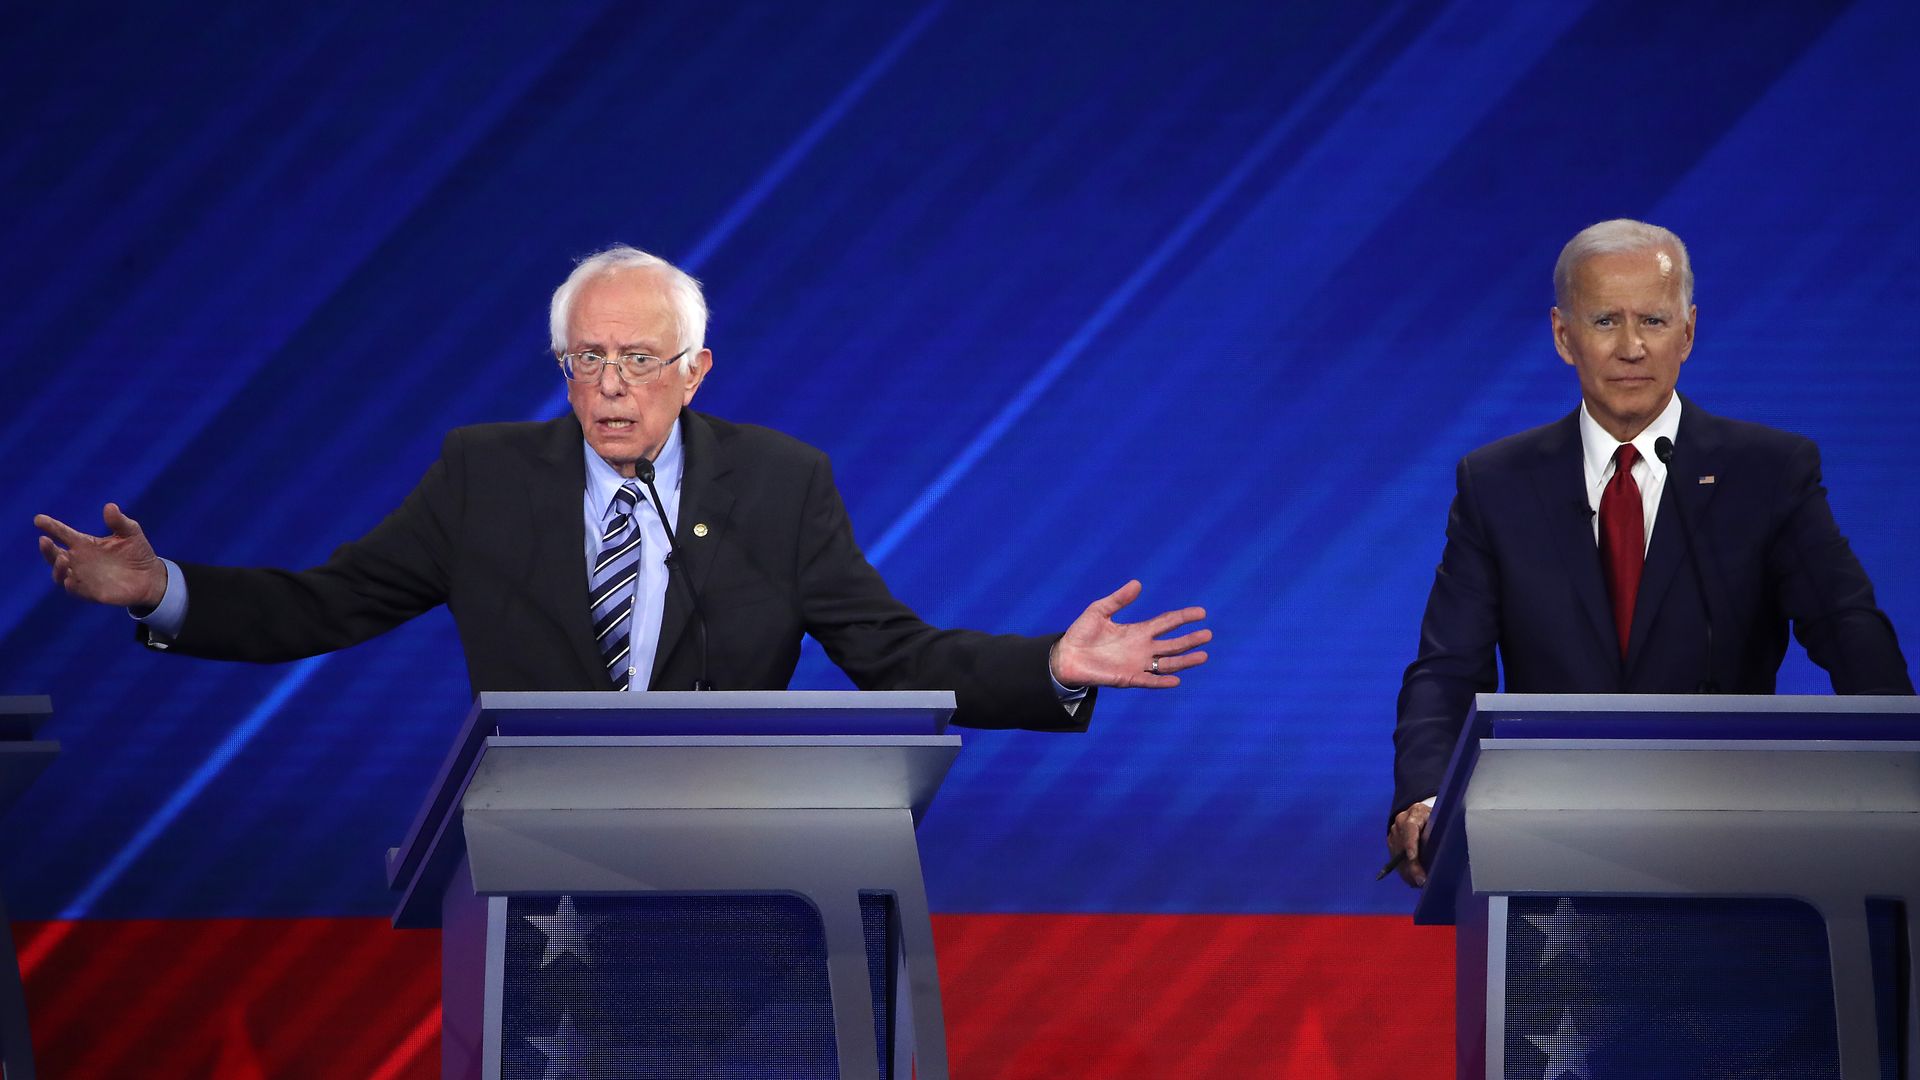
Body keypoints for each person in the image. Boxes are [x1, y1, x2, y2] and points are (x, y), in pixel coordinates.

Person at [35, 246, 1210, 730]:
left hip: (747, 876)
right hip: (539, 880)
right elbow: (325, 605)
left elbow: (894, 657)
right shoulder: (482, 476)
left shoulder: (781, 485)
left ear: (693, 371)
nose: (609, 384)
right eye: (586, 358)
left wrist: (1050, 665)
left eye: (637, 359)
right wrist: (164, 591)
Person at [1388, 219, 1910, 885]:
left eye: (1654, 321)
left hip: (1734, 850)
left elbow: (1847, 627)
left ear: (1688, 332)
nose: (1631, 347)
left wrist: (1902, 773)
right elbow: (1447, 668)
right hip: (1551, 857)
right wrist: (1426, 798)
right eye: (1605, 320)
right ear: (1562, 336)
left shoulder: (1768, 473)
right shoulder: (1497, 484)